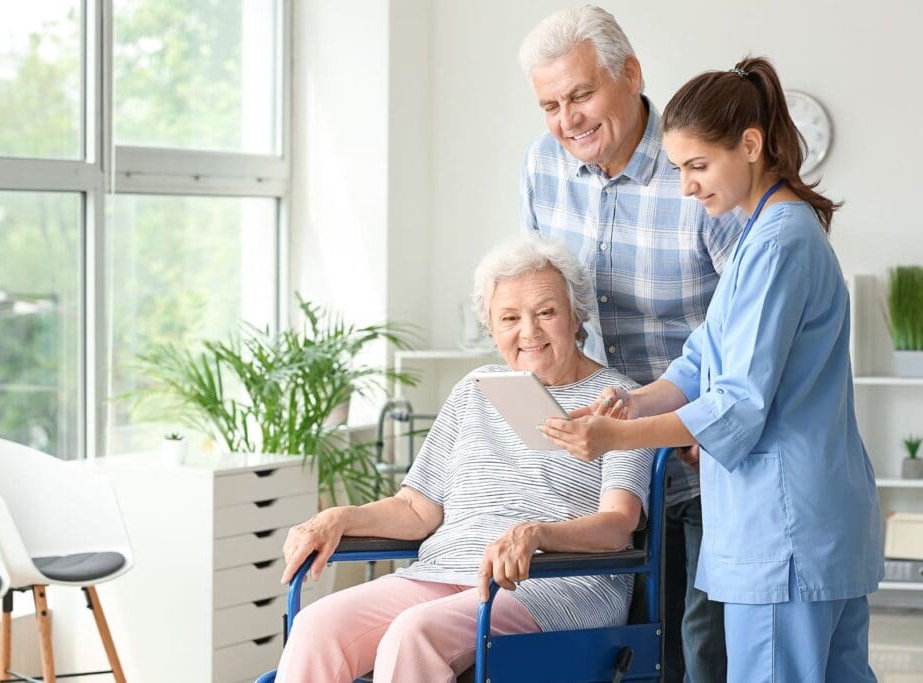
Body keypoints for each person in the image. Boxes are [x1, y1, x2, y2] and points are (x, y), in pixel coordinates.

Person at [541, 57, 884, 682]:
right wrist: (629, 404)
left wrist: (615, 440)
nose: (689, 188)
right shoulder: (764, 235)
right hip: (812, 526)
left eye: (698, 167)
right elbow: (700, 362)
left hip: (784, 531)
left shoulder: (779, 242)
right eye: (677, 170)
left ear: (750, 146)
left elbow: (737, 403)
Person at [272, 237, 654, 682]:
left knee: (414, 632)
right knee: (318, 626)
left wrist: (537, 535)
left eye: (546, 312)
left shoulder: (618, 400)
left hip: (556, 582)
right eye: (509, 318)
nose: (528, 331)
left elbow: (617, 525)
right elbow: (417, 510)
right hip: (445, 571)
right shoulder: (476, 388)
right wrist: (338, 517)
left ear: (576, 315)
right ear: (491, 328)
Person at [517, 6, 741, 680]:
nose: (568, 120)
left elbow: (749, 313)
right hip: (601, 468)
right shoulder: (542, 166)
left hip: (698, 451)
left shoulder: (695, 169)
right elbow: (538, 297)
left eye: (581, 94)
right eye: (551, 104)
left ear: (631, 74)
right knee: (621, 650)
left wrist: (702, 413)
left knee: (701, 652)